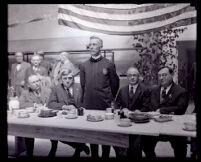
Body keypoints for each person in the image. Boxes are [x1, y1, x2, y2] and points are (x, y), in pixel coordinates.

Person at [80, 36, 119, 158]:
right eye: (90, 44)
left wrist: (107, 97)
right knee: (92, 136)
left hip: (104, 106)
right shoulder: (83, 65)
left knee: (105, 135)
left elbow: (115, 85)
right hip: (89, 105)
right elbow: (83, 85)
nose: (91, 47)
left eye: (94, 44)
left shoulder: (109, 64)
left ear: (101, 46)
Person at [142, 66, 189, 159]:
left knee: (181, 147)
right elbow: (147, 106)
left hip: (173, 127)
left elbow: (180, 108)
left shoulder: (181, 91)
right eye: (159, 75)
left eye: (164, 75)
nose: (161, 78)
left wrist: (161, 110)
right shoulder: (153, 90)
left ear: (172, 75)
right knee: (144, 143)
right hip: (154, 126)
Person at [47, 68, 89, 158]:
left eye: (70, 78)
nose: (67, 81)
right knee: (55, 131)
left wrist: (81, 108)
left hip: (77, 116)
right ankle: (55, 148)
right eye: (65, 78)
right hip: (62, 117)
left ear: (73, 78)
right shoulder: (56, 88)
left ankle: (78, 150)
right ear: (61, 79)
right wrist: (64, 107)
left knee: (80, 132)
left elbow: (85, 102)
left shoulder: (79, 87)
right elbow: (50, 104)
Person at [114, 67, 150, 158]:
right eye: (130, 75)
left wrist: (140, 111)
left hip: (138, 122)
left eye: (134, 75)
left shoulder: (145, 90)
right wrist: (122, 110)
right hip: (123, 122)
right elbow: (116, 105)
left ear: (138, 77)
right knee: (117, 143)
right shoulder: (122, 90)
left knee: (136, 148)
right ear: (127, 77)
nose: (132, 77)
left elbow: (147, 107)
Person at [19, 75, 51, 157]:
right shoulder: (25, 92)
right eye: (34, 82)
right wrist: (35, 104)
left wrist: (46, 107)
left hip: (47, 118)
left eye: (38, 81)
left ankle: (79, 146)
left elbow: (52, 103)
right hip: (32, 119)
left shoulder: (48, 90)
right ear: (29, 85)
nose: (37, 84)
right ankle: (29, 153)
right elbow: (21, 104)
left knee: (57, 132)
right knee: (28, 131)